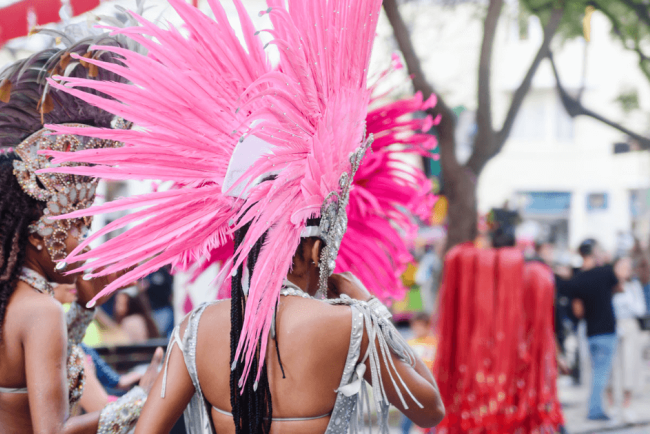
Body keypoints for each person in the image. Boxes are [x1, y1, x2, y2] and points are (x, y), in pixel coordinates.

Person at [43, 0, 446, 432]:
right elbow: (430, 409)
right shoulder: (353, 325)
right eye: (328, 251)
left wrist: (144, 394)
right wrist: (370, 305)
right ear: (310, 247)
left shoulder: (197, 331)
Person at [0, 28, 162, 433]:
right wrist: (144, 397)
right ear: (39, 230)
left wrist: (85, 309)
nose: (86, 241)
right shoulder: (41, 312)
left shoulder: (14, 304)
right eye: (78, 224)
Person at [433, 209, 563, 433]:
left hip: (481, 365)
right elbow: (547, 327)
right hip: (518, 367)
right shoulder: (534, 274)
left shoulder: (471, 271)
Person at [570, 240, 629, 420]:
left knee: (595, 371)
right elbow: (620, 287)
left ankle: (597, 407)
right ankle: (595, 410)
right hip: (607, 329)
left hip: (590, 330)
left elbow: (578, 311)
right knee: (602, 373)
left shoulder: (577, 279)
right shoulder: (605, 272)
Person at [606, 258, 646, 422]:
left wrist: (627, 300)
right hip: (612, 326)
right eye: (622, 267)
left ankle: (626, 404)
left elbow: (641, 309)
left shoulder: (634, 286)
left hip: (629, 325)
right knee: (612, 367)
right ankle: (611, 405)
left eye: (628, 267)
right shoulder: (608, 285)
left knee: (630, 365)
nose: (625, 270)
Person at [401, 313, 438, 434]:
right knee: (407, 418)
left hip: (431, 387)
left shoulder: (435, 343)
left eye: (420, 326)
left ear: (428, 326)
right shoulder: (409, 343)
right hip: (413, 387)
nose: (417, 329)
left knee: (431, 419)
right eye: (415, 326)